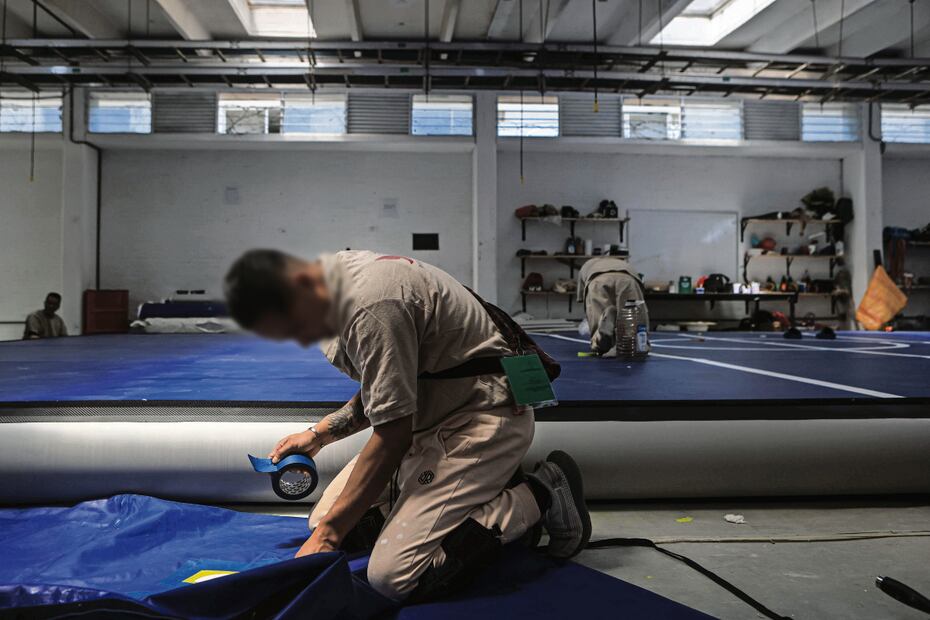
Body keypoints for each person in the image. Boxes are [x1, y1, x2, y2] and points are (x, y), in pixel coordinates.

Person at [223, 249, 590, 602]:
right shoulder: (336, 278)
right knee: (323, 521)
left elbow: (392, 436)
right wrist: (318, 435)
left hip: (481, 421)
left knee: (392, 578)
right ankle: (478, 496)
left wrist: (329, 537)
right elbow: (388, 388)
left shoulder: (370, 307)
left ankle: (542, 493)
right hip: (432, 418)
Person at [576, 256, 648, 355]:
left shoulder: (587, 265)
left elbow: (581, 299)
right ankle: (638, 343)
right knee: (634, 316)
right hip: (628, 279)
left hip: (598, 280)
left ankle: (600, 340)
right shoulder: (622, 262)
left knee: (598, 318)